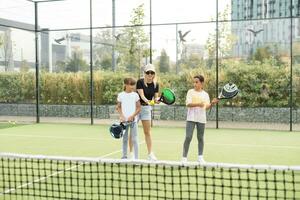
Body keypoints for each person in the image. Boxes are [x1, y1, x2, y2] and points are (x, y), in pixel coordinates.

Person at [182, 75, 219, 164]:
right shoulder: (190, 92)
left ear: (201, 83)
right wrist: (199, 104)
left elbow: (206, 107)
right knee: (188, 137)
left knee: (200, 138)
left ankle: (200, 157)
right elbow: (188, 104)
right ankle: (184, 158)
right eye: (194, 82)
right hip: (191, 118)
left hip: (201, 118)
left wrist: (212, 103)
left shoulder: (205, 94)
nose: (194, 84)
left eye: (196, 82)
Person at [136, 64, 159, 161]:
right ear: (144, 73)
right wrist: (149, 101)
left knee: (147, 132)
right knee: (133, 132)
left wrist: (156, 101)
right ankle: (131, 154)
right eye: (148, 72)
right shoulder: (140, 82)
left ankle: (150, 154)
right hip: (136, 108)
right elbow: (141, 95)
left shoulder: (155, 84)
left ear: (154, 74)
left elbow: (156, 98)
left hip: (146, 110)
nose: (150, 74)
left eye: (152, 72)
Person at [116, 77, 141, 160]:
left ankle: (137, 159)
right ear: (126, 84)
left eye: (133, 85)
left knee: (135, 139)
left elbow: (138, 108)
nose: (133, 86)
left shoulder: (135, 95)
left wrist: (132, 116)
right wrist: (122, 116)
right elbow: (118, 107)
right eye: (131, 84)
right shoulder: (120, 95)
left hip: (133, 121)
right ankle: (124, 157)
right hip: (124, 122)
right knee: (124, 139)